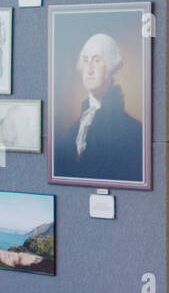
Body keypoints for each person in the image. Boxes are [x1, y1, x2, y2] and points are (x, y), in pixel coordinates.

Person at [55, 32, 143, 183]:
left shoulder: (134, 131)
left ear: (110, 66)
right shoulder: (71, 131)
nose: (89, 69)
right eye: (85, 60)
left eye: (97, 60)